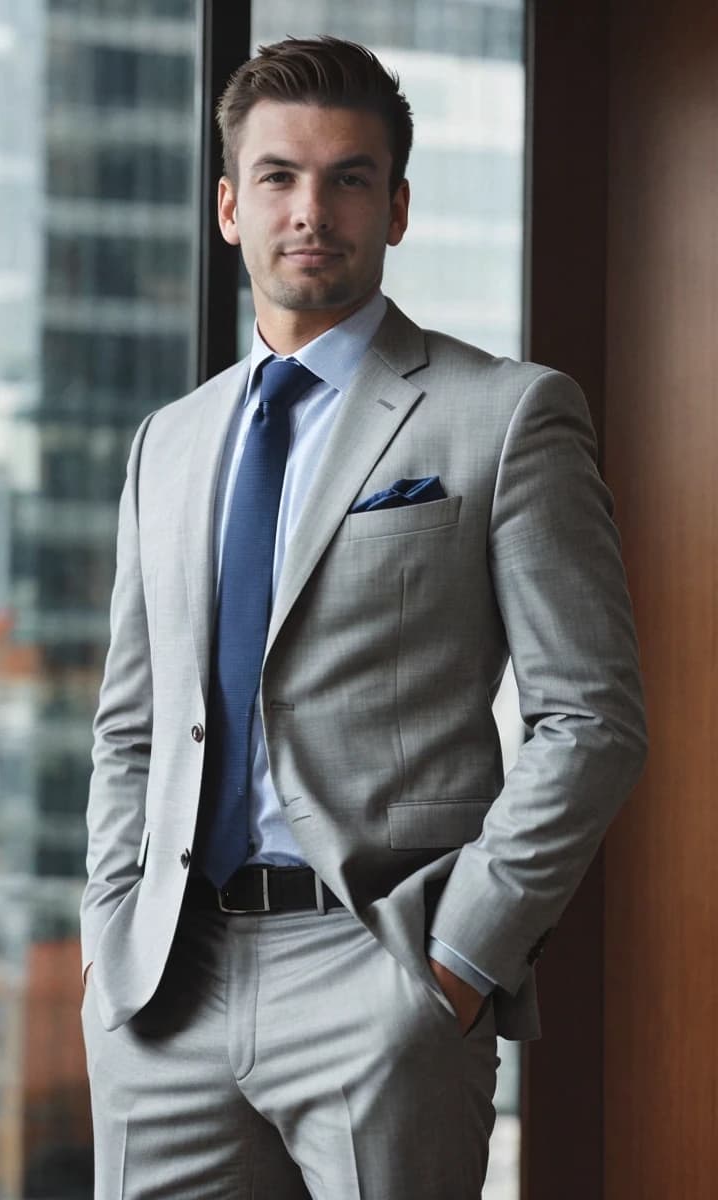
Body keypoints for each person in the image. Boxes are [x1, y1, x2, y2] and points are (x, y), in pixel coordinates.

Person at [79, 35, 647, 1200]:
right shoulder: (169, 442)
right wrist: (110, 939)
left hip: (377, 976)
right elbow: (131, 727)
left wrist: (455, 963)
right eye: (279, 177)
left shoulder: (501, 415)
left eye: (348, 177)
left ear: (394, 206)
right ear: (229, 206)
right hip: (164, 995)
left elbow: (590, 720)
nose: (311, 208)